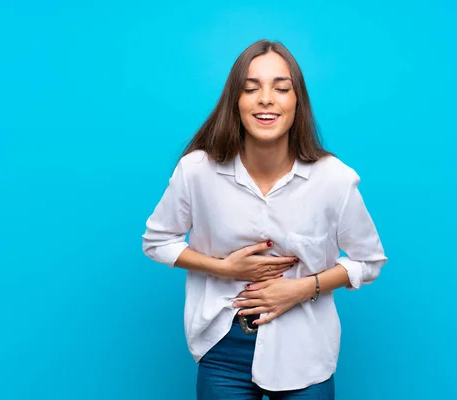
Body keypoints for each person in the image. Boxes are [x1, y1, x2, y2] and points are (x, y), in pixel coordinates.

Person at [141, 39, 387, 399]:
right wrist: (224, 268)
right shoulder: (197, 170)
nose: (266, 99)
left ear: (296, 102)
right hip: (222, 348)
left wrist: (303, 288)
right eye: (251, 89)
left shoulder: (334, 179)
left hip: (305, 349)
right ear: (235, 103)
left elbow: (369, 262)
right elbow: (157, 242)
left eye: (281, 88)